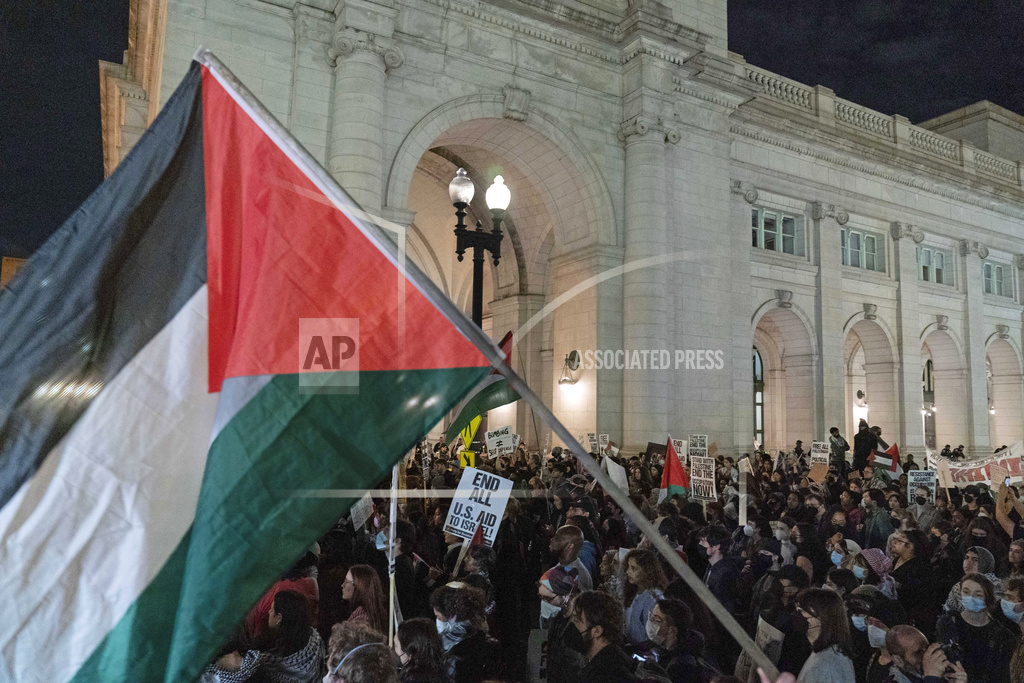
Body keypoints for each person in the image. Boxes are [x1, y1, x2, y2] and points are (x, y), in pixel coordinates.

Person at [936, 573, 1017, 683]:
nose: (970, 598)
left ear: (988, 598)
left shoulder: (1002, 636)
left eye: (978, 594)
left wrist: (968, 680)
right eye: (966, 592)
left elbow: (1001, 678)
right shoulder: (948, 623)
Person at [430, 583, 501, 682]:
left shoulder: (448, 644)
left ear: (451, 612)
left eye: (438, 615)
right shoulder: (478, 629)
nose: (437, 618)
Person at [259, 589, 327, 683]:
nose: (269, 612)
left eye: (272, 609)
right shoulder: (316, 641)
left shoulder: (271, 663)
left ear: (279, 618)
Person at [570, 590, 637, 682]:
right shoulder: (609, 660)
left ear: (597, 631)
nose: (571, 626)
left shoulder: (607, 675)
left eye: (576, 621)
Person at [642, 597, 714, 682]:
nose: (650, 622)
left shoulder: (681, 668)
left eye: (657, 620)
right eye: (651, 617)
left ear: (672, 631)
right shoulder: (666, 649)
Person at [794, 588, 855, 682]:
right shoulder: (827, 653)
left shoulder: (825, 665)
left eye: (802, 611)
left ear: (821, 617)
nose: (797, 615)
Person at [885, 625, 967, 683]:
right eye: (918, 653)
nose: (927, 655)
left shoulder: (944, 675)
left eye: (928, 648)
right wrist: (932, 679)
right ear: (898, 660)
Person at [622, 549, 669, 645]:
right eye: (628, 567)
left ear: (647, 571)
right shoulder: (633, 591)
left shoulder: (654, 598)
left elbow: (655, 635)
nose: (628, 572)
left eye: (633, 568)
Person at [889, 530, 934, 628]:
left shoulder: (919, 569)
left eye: (898, 541)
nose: (894, 543)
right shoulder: (897, 559)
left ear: (910, 546)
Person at [944, 547, 1004, 614]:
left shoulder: (996, 586)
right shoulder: (958, 586)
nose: (968, 563)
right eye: (966, 558)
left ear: (985, 563)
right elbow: (949, 610)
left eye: (975, 560)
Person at [700, 526, 742, 613]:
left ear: (716, 546)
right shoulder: (711, 565)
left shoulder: (726, 574)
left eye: (703, 541)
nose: (700, 544)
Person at [394, 618, 448, 683]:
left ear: (410, 654)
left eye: (395, 645)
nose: (392, 649)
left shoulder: (411, 679)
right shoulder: (443, 672)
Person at [343, 564, 388, 634]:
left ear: (359, 586)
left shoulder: (361, 620)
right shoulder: (372, 612)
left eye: (346, 582)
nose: (342, 585)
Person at [549, 524, 594, 590]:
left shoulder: (578, 576)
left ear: (570, 546)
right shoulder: (563, 566)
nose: (552, 539)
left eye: (557, 538)